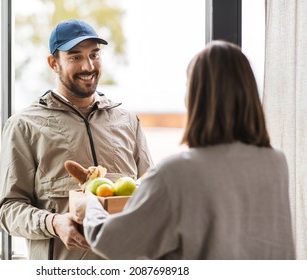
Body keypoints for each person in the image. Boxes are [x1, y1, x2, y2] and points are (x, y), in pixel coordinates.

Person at [80, 40, 295, 260]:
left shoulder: (176, 173)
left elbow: (112, 242)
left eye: (187, 85)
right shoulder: (276, 162)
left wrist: (91, 205)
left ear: (196, 96)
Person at [0, 19, 153, 260]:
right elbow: (8, 211)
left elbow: (150, 192)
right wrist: (54, 222)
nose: (88, 66)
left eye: (94, 54)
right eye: (75, 57)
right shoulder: (24, 125)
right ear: (53, 63)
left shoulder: (128, 121)